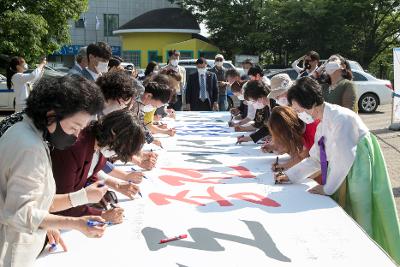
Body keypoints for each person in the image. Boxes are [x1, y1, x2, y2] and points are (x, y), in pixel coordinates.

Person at [275, 77, 400, 264]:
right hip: (346, 168)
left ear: (309, 102)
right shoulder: (323, 120)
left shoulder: (340, 117)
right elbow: (317, 157)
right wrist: (290, 175)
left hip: (359, 167)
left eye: (298, 108)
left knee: (361, 209)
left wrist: (327, 188)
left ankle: (369, 255)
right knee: (350, 207)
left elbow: (344, 156)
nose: (298, 113)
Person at [0, 75, 107, 266]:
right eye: (75, 127)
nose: (76, 136)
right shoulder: (29, 147)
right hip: (11, 250)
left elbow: (39, 200)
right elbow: (21, 214)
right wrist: (76, 223)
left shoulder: (29, 132)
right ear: (51, 114)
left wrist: (54, 220)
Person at [51, 110, 145, 224]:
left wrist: (101, 190)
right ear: (113, 134)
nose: (116, 155)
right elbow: (61, 205)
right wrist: (102, 215)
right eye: (118, 150)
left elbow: (88, 172)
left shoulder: (100, 144)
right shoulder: (75, 149)